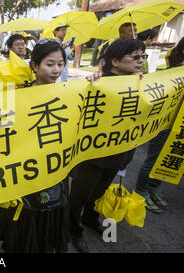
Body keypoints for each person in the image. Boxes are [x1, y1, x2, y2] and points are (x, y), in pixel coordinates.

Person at [0, 40, 70, 253]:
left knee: (50, 215)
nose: (56, 70)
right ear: (34, 66)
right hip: (25, 171)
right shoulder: (16, 95)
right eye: (50, 64)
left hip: (55, 169)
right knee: (26, 222)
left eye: (61, 64)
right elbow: (1, 130)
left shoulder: (69, 93)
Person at [69, 38, 147, 253]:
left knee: (99, 192)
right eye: (135, 56)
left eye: (143, 56)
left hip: (120, 154)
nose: (141, 61)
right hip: (93, 156)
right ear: (115, 60)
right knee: (80, 195)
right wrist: (95, 80)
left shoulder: (141, 83)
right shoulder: (98, 83)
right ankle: (73, 229)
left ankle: (90, 218)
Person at [134, 34, 184, 213]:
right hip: (164, 125)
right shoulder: (170, 74)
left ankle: (153, 190)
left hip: (182, 127)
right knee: (153, 159)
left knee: (170, 159)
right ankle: (141, 192)